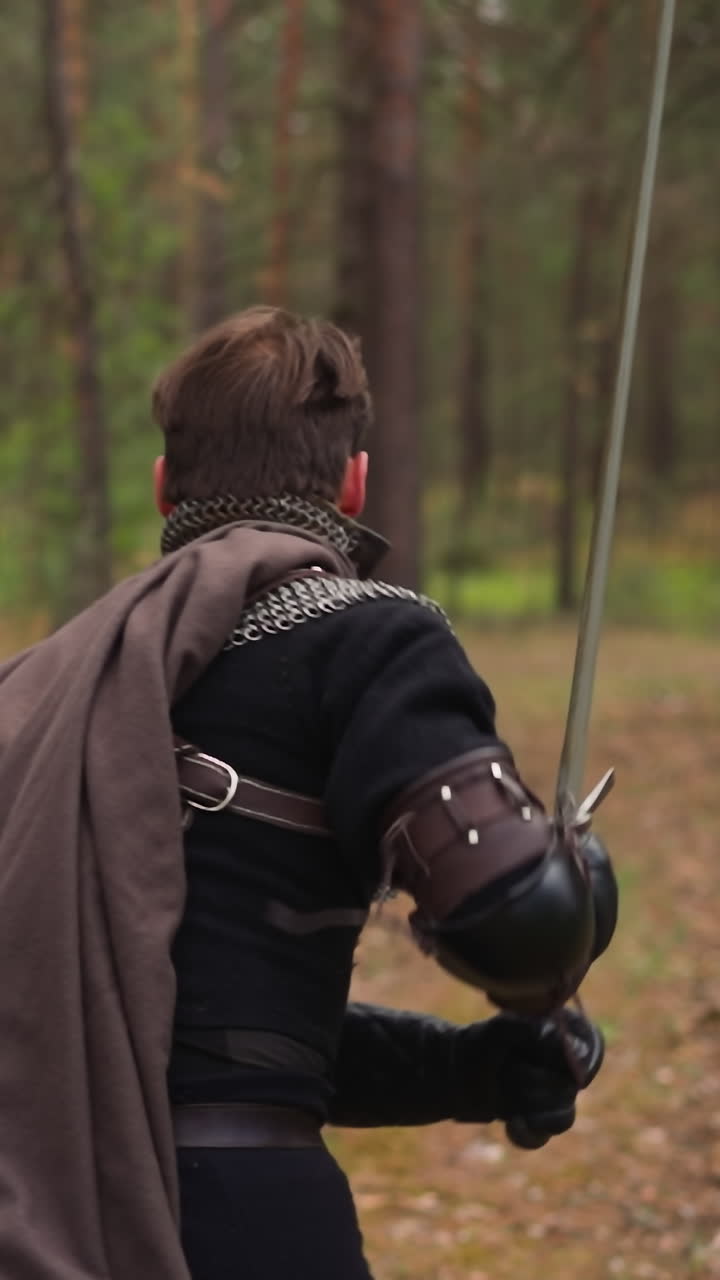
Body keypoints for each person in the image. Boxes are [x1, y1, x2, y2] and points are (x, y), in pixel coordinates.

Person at [0, 306, 616, 1280]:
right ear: (352, 480)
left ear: (166, 485)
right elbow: (515, 916)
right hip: (244, 1218)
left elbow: (208, 1034)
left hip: (36, 1209)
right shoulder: (368, 636)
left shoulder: (44, 686)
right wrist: (575, 890)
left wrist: (468, 1068)